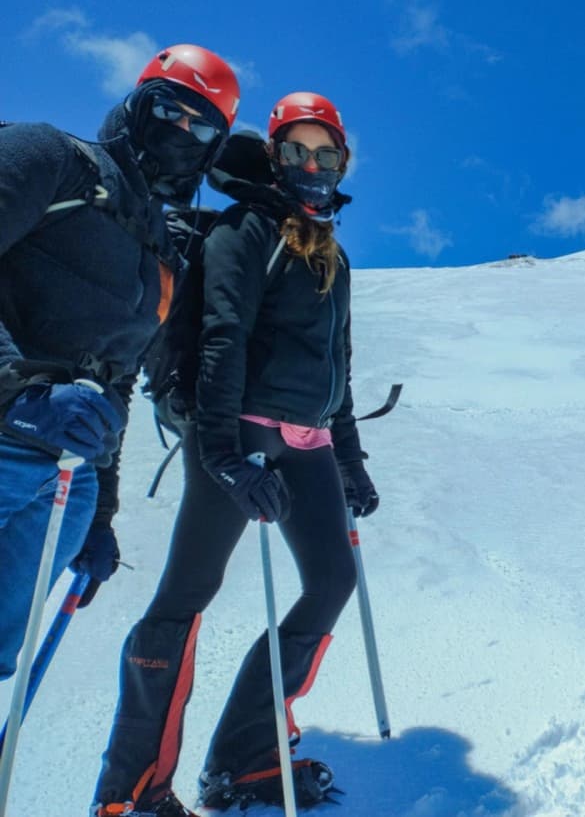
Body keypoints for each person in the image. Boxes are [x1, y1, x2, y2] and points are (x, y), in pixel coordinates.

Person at [92, 93, 378, 817]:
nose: (311, 165)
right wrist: (223, 456)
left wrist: (350, 460)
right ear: (275, 157)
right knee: (186, 598)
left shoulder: (333, 257)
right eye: (296, 151)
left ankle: (246, 761)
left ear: (341, 163)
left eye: (325, 154)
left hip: (306, 441)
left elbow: (336, 369)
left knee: (331, 580)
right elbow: (222, 341)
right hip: (237, 433)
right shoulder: (243, 233)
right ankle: (130, 793)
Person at [0, 44, 239, 681]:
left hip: (64, 485)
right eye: (168, 109)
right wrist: (12, 392)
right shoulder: (51, 158)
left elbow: (117, 381)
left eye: (203, 127)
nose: (181, 133)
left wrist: (100, 512)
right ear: (136, 104)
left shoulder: (165, 253)